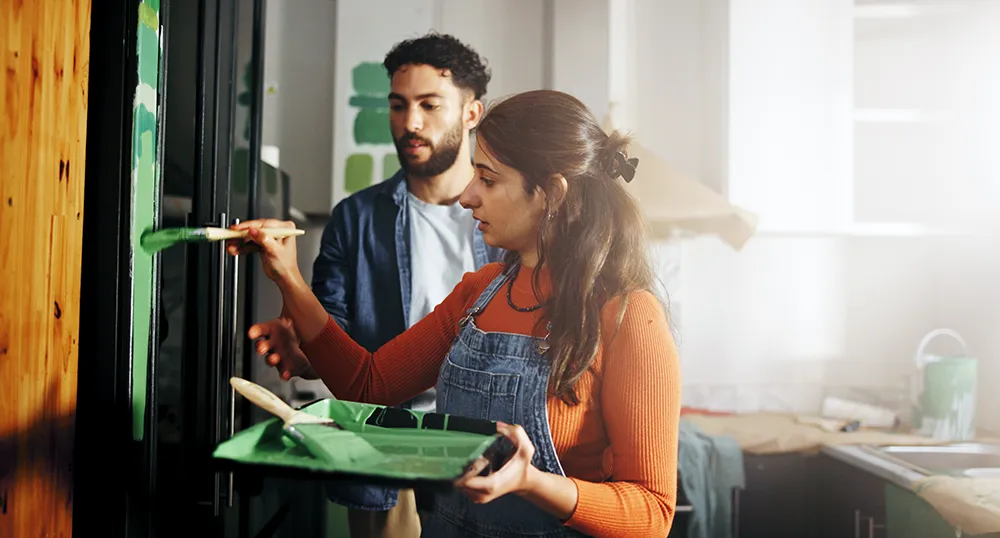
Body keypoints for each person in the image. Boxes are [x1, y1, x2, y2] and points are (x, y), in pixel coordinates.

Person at [231, 89, 681, 537]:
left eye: (487, 179)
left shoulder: (628, 317)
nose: (467, 197)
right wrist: (287, 276)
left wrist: (532, 483)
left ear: (551, 194)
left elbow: (653, 513)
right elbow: (368, 384)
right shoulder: (478, 293)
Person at [259, 32, 500, 538]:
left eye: (429, 105)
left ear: (471, 114)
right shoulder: (356, 219)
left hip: (485, 449)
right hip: (383, 450)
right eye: (398, 105)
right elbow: (332, 344)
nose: (410, 123)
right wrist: (299, 347)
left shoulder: (504, 222)